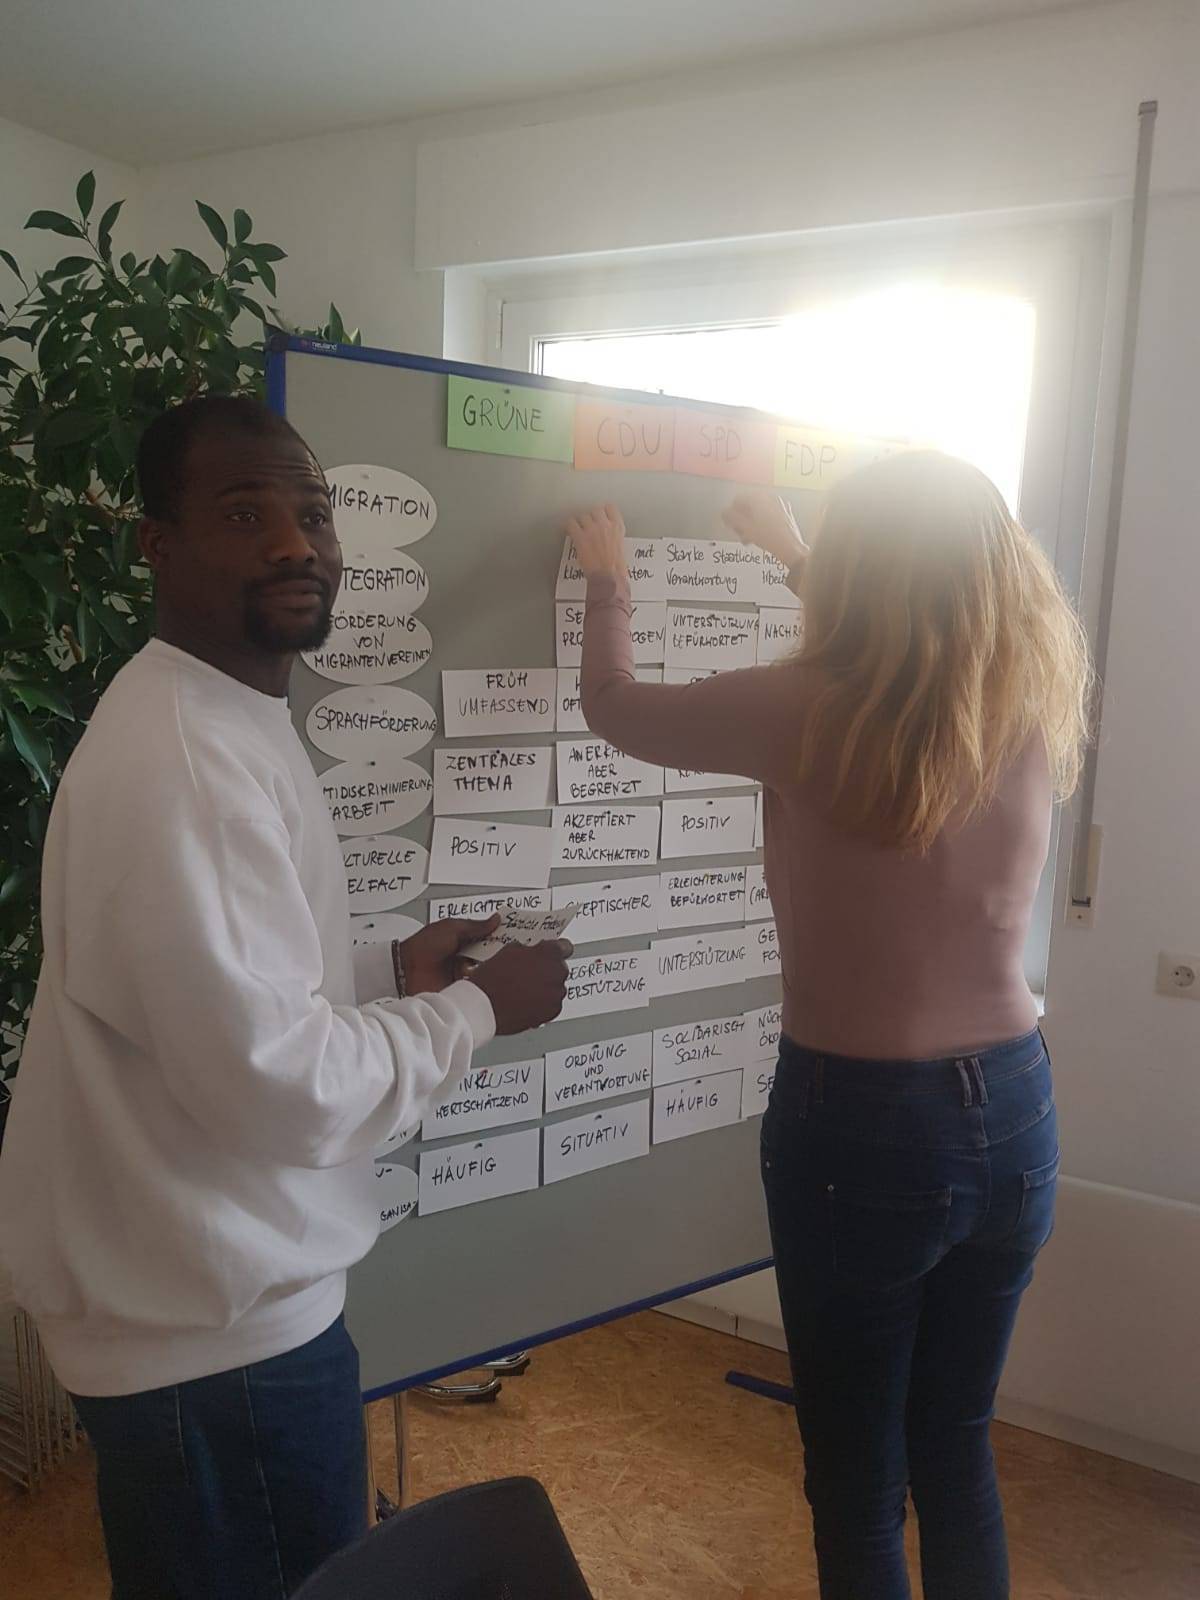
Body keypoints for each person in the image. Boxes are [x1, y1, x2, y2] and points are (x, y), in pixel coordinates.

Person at [0, 395, 571, 1600]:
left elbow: (213, 995)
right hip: (215, 1343)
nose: (294, 544)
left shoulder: (218, 710)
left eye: (313, 513)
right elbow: (281, 1085)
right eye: (243, 513)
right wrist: (481, 1010)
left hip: (204, 1313)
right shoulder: (187, 760)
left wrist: (390, 972)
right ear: (157, 544)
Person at [566, 452, 1090, 1600]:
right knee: (955, 1443)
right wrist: (791, 552)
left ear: (858, 569)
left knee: (855, 1481)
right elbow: (906, 641)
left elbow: (615, 708)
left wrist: (607, 577)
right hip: (1016, 1107)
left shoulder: (796, 707)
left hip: (864, 1126)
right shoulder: (1015, 694)